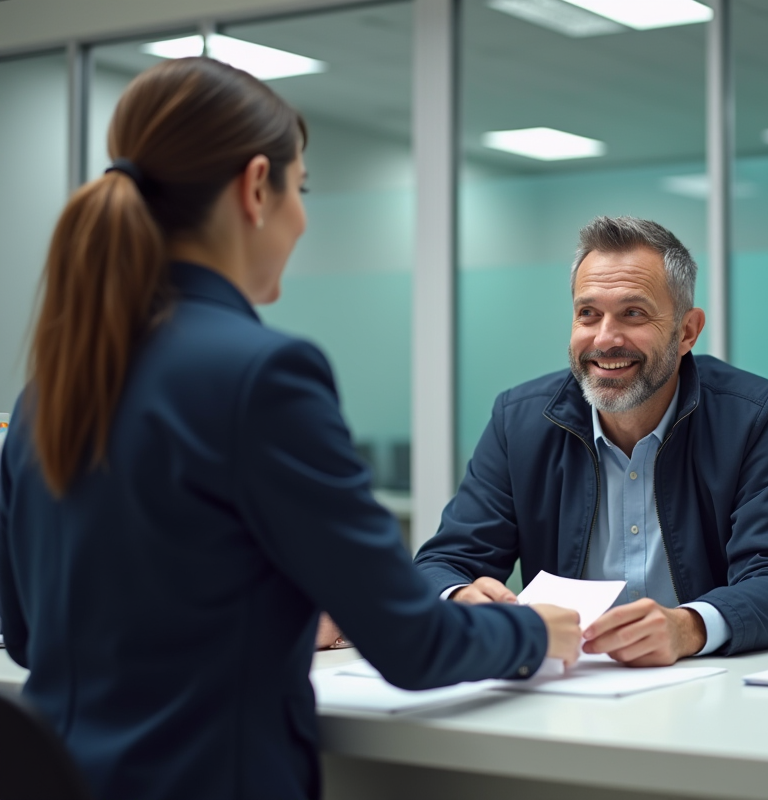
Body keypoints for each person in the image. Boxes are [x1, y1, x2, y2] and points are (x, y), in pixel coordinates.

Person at [0, 57, 581, 800]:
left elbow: (28, 634)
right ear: (254, 189)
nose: (302, 219)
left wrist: (265, 616)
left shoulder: (53, 384)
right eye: (300, 189)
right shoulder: (263, 375)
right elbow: (412, 644)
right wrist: (538, 633)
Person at [414, 216, 768, 666]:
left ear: (686, 331)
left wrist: (688, 627)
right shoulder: (519, 420)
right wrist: (459, 596)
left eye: (633, 313)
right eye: (588, 314)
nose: (605, 339)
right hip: (562, 690)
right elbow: (441, 564)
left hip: (706, 687)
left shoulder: (755, 417)